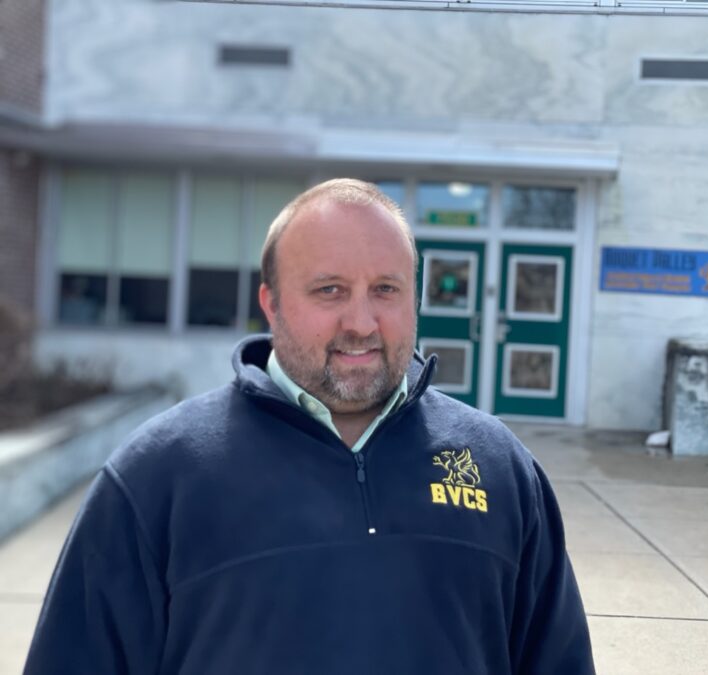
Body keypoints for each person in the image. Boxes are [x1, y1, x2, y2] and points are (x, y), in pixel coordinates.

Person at [25, 178, 595, 674]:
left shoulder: (499, 469)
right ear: (271, 305)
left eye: (386, 290)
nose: (362, 321)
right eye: (330, 290)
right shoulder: (159, 476)